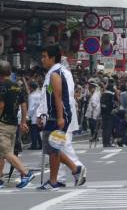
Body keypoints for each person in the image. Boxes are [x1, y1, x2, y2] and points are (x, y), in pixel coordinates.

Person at [36, 45, 84, 190]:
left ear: (52, 58)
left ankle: (53, 180)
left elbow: (58, 97)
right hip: (52, 115)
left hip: (58, 115)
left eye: (44, 57)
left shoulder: (56, 73)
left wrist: (60, 117)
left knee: (54, 148)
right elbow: (47, 96)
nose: (42, 59)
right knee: (52, 148)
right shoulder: (51, 73)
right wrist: (42, 113)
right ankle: (74, 170)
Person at [0, 61, 36, 189]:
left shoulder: (3, 86)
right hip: (14, 125)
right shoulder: (17, 86)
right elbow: (24, 106)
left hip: (3, 124)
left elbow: (0, 105)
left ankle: (25, 173)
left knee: (6, 152)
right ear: (10, 72)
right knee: (1, 152)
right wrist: (23, 122)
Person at [27, 81, 44, 150]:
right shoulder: (41, 94)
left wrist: (29, 116)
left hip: (34, 116)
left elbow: (31, 108)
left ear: (31, 88)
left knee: (34, 131)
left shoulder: (32, 96)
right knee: (39, 130)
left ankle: (34, 145)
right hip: (42, 115)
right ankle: (41, 144)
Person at [100, 79, 117, 147]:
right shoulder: (111, 94)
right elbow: (112, 104)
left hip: (103, 113)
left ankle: (104, 142)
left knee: (104, 128)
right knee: (109, 128)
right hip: (109, 113)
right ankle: (108, 142)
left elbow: (101, 103)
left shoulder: (103, 94)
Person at [85, 79, 101, 145]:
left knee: (93, 126)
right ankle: (94, 137)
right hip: (94, 112)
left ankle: (94, 137)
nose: (90, 89)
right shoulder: (97, 93)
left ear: (94, 88)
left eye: (91, 88)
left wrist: (92, 104)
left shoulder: (95, 95)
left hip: (93, 112)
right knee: (93, 125)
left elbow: (94, 104)